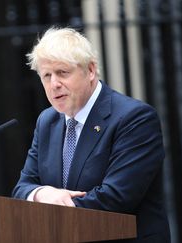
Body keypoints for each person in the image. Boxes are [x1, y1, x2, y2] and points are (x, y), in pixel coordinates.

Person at [12, 27, 170, 243]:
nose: (54, 84)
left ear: (91, 70)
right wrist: (42, 194)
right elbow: (23, 188)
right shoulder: (47, 121)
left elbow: (115, 198)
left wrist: (52, 210)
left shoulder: (134, 118)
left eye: (62, 72)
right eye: (46, 76)